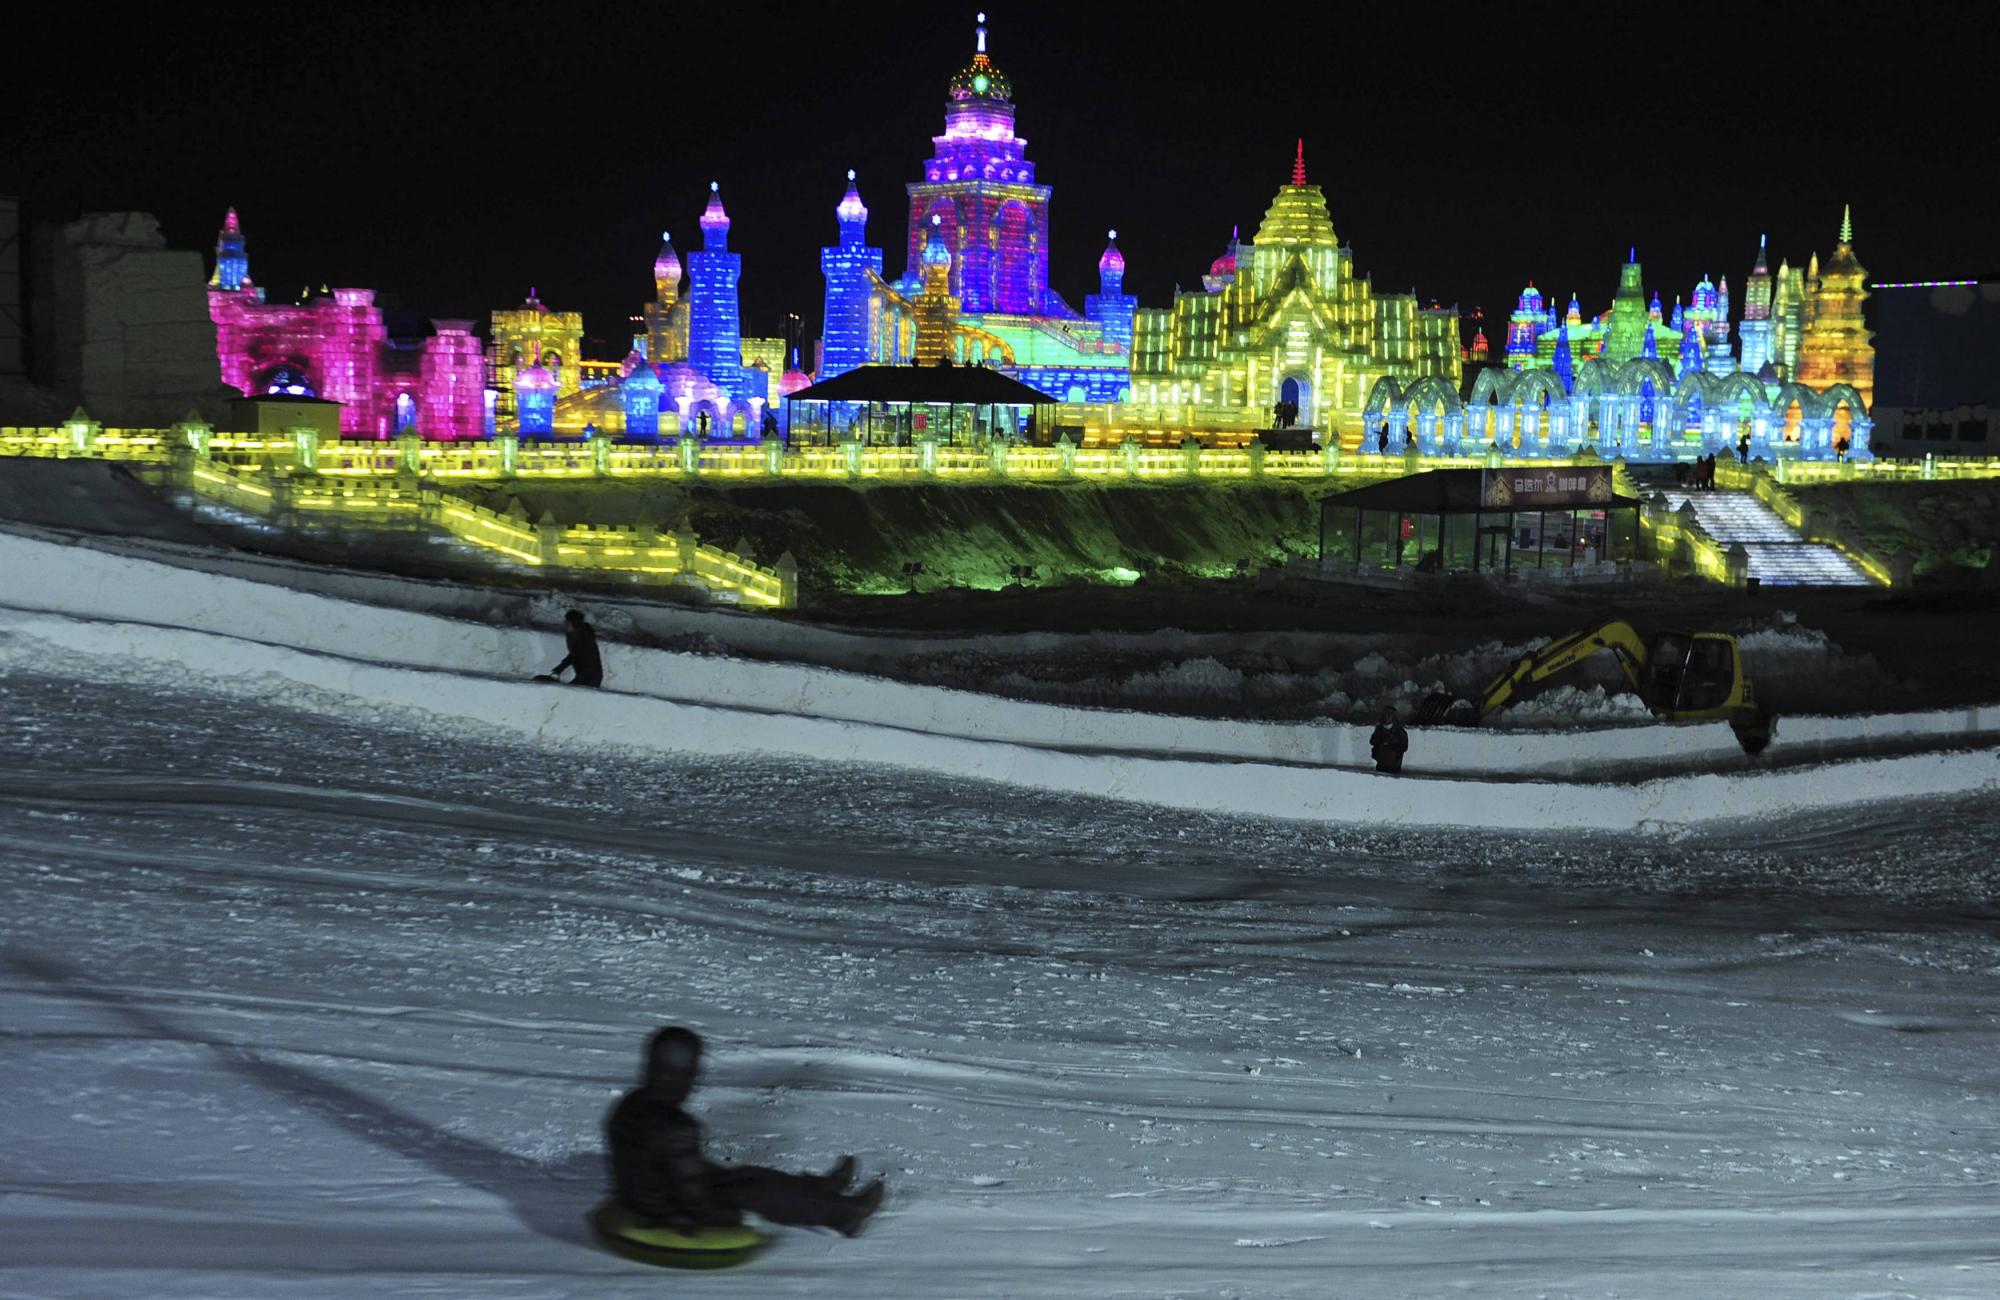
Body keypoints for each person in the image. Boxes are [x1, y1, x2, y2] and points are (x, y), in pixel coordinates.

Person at [606, 1027, 884, 1237]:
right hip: (668, 1212)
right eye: (692, 1073)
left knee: (745, 1175)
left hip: (648, 1197)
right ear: (680, 1076)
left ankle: (821, 1189)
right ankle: (845, 1214)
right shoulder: (677, 1128)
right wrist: (734, 1217)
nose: (696, 1081)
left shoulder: (631, 1103)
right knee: (758, 1192)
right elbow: (696, 1201)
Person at [549, 608, 603, 688]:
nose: (564, 623)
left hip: (589, 677)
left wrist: (561, 667)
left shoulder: (583, 637)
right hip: (586, 675)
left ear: (571, 623)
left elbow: (579, 656)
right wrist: (560, 668)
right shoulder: (577, 634)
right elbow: (574, 654)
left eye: (566, 621)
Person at [1369, 706, 1409, 775]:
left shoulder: (1400, 731)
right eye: (1385, 715)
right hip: (1381, 765)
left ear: (1393, 717)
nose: (1387, 717)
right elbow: (1372, 741)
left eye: (1389, 715)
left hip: (1394, 767)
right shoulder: (1379, 729)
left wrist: (1390, 745)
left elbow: (1404, 747)